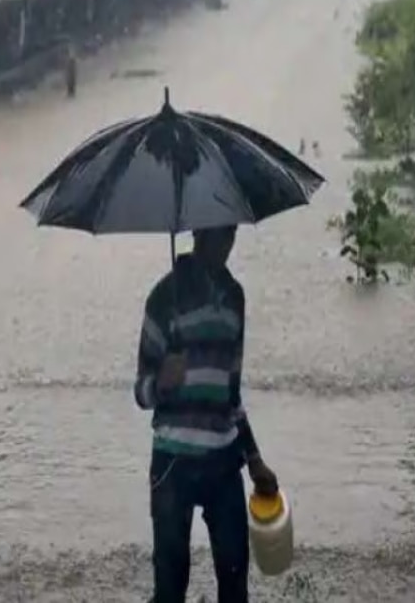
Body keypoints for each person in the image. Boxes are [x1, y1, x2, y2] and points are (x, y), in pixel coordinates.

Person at [134, 225, 278, 603]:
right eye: (217, 233)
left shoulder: (235, 298)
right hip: (171, 464)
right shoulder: (163, 298)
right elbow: (140, 391)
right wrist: (162, 381)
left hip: (223, 461)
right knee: (169, 588)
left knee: (234, 583)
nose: (225, 242)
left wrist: (255, 460)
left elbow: (231, 393)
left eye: (230, 233)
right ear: (198, 231)